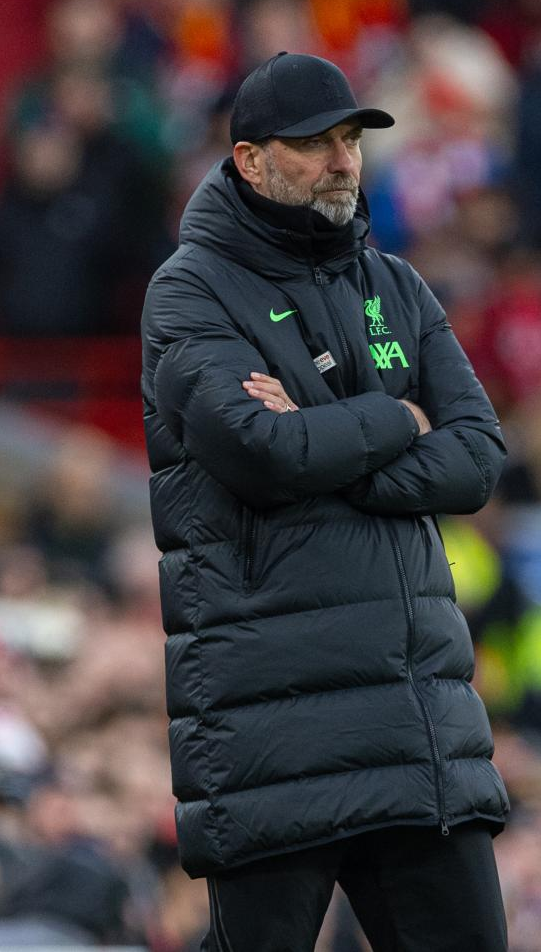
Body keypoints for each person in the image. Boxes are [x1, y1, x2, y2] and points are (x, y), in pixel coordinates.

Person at [141, 51, 509, 952]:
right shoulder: (188, 289)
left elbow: (476, 459)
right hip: (271, 726)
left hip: (416, 724)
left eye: (350, 139)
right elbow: (261, 452)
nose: (342, 161)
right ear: (248, 160)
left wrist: (323, 433)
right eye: (313, 144)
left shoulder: (397, 284)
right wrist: (399, 417)